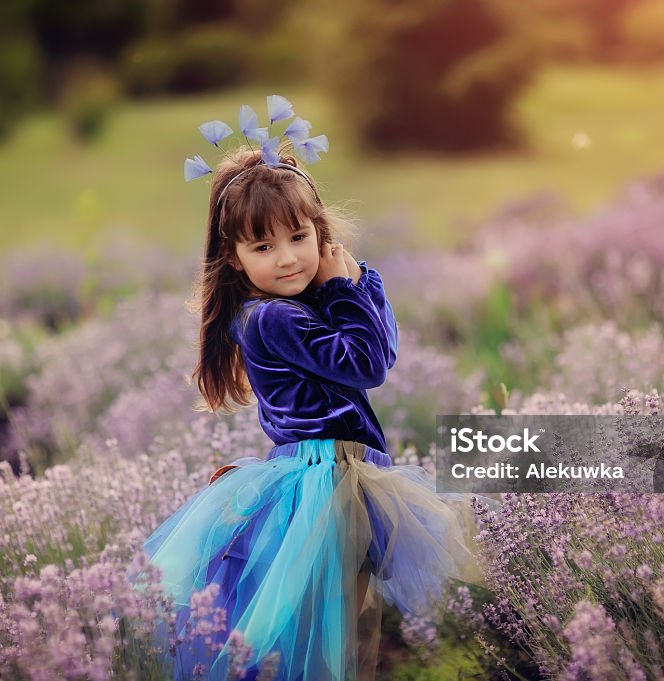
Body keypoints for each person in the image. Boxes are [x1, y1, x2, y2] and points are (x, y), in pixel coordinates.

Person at [137, 99, 485, 681]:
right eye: (263, 247)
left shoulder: (292, 310)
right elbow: (369, 364)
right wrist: (347, 289)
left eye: (298, 237)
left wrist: (358, 283)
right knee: (328, 633)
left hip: (338, 475)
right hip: (325, 480)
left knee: (336, 627)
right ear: (234, 257)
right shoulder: (274, 318)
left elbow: (381, 353)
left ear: (319, 234)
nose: (287, 258)